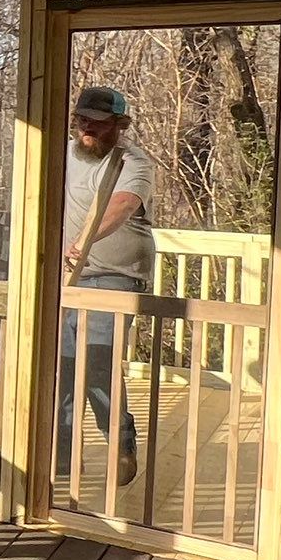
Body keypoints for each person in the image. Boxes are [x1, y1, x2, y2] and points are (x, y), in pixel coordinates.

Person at [58, 85, 156, 489]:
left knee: (96, 361)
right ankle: (61, 455)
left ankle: (120, 444)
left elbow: (123, 204)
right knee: (61, 364)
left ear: (119, 125)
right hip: (65, 276)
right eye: (82, 120)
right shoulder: (63, 153)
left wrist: (84, 241)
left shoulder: (132, 162)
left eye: (97, 123)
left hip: (115, 274)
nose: (87, 129)